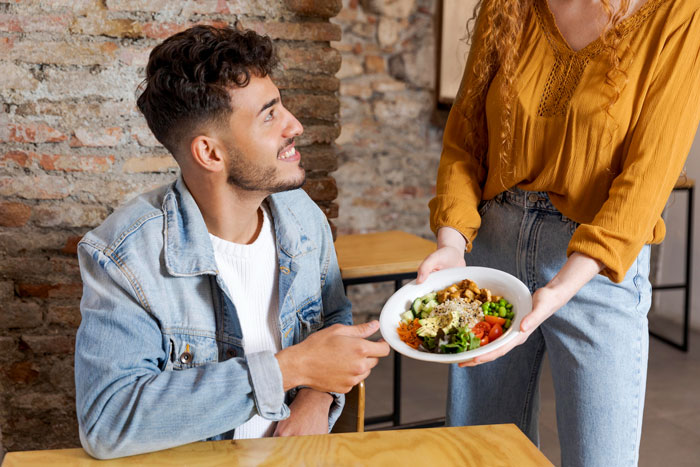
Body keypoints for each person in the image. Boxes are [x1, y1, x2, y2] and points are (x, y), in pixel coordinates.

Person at [74, 25, 390, 460]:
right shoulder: (124, 256)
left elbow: (330, 320)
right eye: (269, 115)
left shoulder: (301, 215)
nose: (293, 125)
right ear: (210, 154)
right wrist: (290, 369)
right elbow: (109, 423)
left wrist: (315, 398)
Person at [418, 0, 700, 465]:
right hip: (493, 250)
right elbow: (465, 138)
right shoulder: (508, 6)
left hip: (596, 267)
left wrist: (561, 285)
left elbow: (648, 177)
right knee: (482, 454)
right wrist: (452, 241)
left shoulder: (678, 14)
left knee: (600, 458)